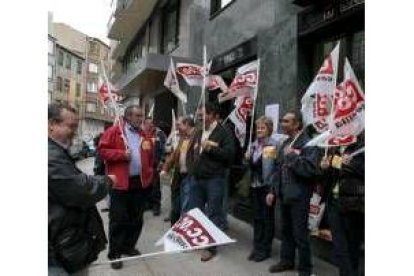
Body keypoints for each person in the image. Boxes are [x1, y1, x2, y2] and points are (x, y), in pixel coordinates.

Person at [48, 103, 116, 275]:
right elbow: (81, 190)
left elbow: (74, 180)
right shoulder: (50, 155)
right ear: (51, 124)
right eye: (70, 126)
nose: (74, 132)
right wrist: (107, 181)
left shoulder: (56, 151)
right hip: (58, 248)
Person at [98, 105, 155, 270]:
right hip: (120, 183)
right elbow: (102, 151)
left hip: (140, 182)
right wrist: (121, 155)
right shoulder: (115, 131)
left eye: (141, 116)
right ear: (128, 117)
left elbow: (150, 156)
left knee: (136, 218)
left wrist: (150, 173)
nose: (140, 119)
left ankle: (128, 246)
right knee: (118, 219)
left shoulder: (144, 134)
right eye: (137, 116)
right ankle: (114, 253)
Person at [266, 111, 321, 276]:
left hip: (299, 196)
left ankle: (305, 268)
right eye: (282, 120)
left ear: (297, 124)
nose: (282, 123)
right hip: (284, 195)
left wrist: (292, 157)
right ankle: (286, 261)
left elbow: (310, 170)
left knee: (300, 234)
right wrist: (273, 191)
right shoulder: (286, 143)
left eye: (286, 121)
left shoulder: (309, 144)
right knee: (286, 230)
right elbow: (278, 169)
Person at [186, 102, 235, 262]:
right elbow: (191, 151)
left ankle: (210, 247)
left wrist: (211, 148)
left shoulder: (224, 131)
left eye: (204, 114)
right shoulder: (199, 131)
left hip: (214, 180)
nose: (200, 117)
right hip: (197, 179)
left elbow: (229, 155)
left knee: (214, 213)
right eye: (199, 114)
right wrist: (191, 169)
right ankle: (196, 239)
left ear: (214, 115)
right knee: (195, 212)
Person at [320, 133, 365, 276]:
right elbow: (330, 176)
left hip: (353, 203)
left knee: (352, 245)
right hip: (333, 201)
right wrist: (324, 167)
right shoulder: (335, 146)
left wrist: (351, 164)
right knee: (339, 247)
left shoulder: (362, 146)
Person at [245, 116, 279, 262]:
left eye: (262, 128)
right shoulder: (253, 145)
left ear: (269, 129)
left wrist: (272, 190)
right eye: (258, 127)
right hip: (254, 185)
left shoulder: (273, 145)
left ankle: (265, 249)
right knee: (257, 218)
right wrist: (246, 157)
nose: (259, 130)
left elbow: (276, 170)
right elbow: (251, 166)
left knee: (267, 219)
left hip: (267, 187)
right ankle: (257, 246)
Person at [160, 115, 196, 225]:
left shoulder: (197, 137)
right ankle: (174, 227)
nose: (176, 127)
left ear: (186, 125)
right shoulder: (183, 137)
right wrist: (165, 168)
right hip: (179, 175)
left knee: (186, 205)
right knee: (176, 203)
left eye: (179, 124)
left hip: (190, 176)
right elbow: (175, 154)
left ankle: (182, 228)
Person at [143, 117, 167, 216]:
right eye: (148, 124)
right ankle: (148, 204)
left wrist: (162, 161)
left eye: (151, 123)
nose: (150, 125)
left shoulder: (159, 134)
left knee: (155, 186)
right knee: (146, 186)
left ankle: (156, 206)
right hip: (145, 166)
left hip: (155, 165)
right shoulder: (142, 133)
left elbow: (165, 149)